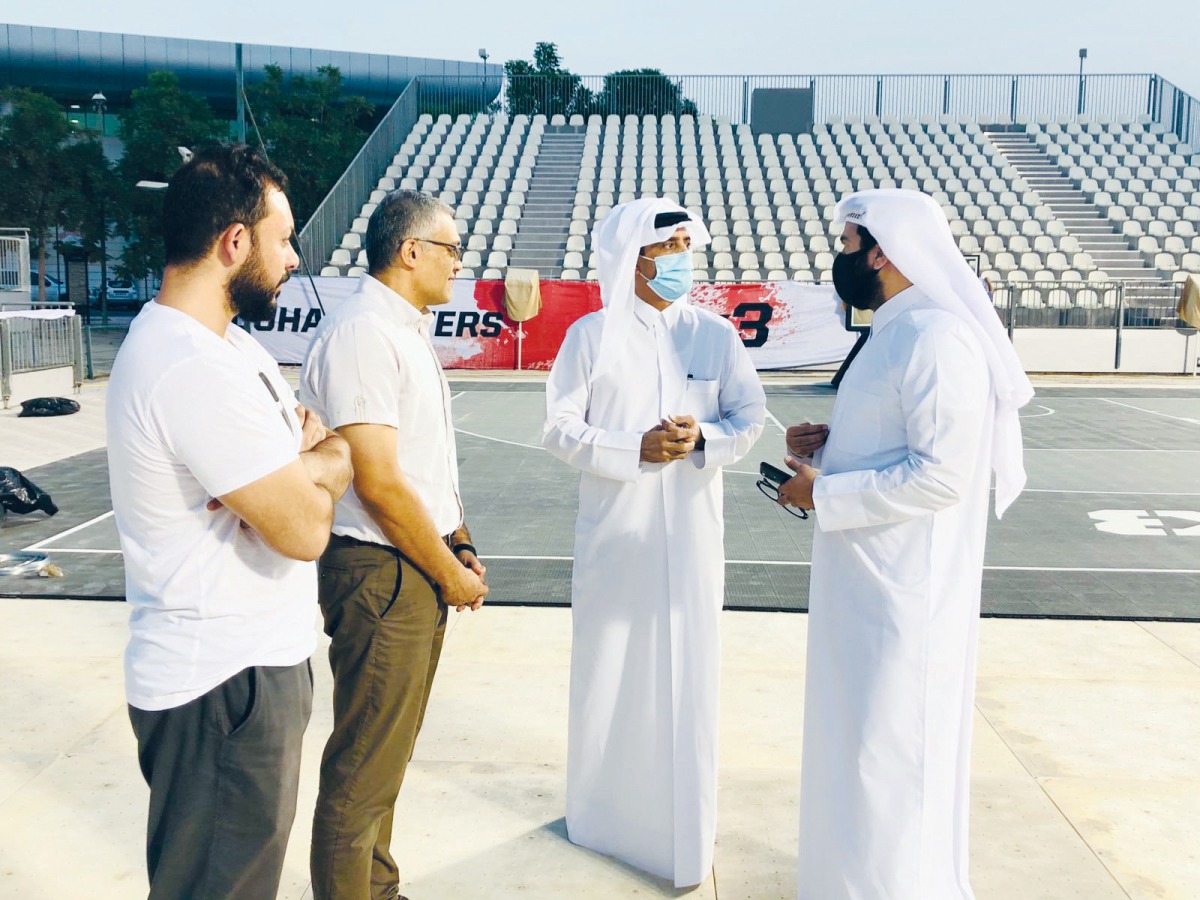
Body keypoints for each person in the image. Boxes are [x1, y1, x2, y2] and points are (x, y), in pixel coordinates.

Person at [106, 144, 353, 898]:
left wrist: (312, 464)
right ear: (234, 242)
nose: (291, 258)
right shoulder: (190, 367)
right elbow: (306, 529)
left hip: (249, 672)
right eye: (283, 240)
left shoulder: (231, 348)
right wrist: (309, 470)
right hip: (222, 687)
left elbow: (324, 448)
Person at [777, 189, 1034, 900]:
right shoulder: (895, 329)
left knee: (892, 759)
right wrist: (829, 451)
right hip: (866, 587)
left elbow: (942, 476)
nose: (841, 256)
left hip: (904, 597)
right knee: (858, 751)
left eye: (849, 242)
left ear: (883, 251)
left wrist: (819, 494)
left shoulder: (935, 337)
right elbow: (896, 445)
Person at [543, 197, 766, 888]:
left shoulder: (714, 335)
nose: (679, 262)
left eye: (683, 249)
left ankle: (682, 827)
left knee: (690, 674)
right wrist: (630, 447)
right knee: (610, 674)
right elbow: (558, 428)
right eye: (666, 251)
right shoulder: (590, 337)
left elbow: (749, 415)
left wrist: (707, 441)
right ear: (630, 261)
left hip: (694, 538)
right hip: (618, 540)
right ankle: (605, 818)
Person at [300, 189, 489, 900]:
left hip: (412, 560)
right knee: (363, 765)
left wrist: (460, 544)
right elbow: (377, 483)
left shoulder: (400, 330)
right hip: (382, 569)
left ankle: (377, 888)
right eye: (451, 249)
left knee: (388, 751)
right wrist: (449, 574)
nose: (459, 264)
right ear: (411, 252)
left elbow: (424, 469)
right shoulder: (363, 337)